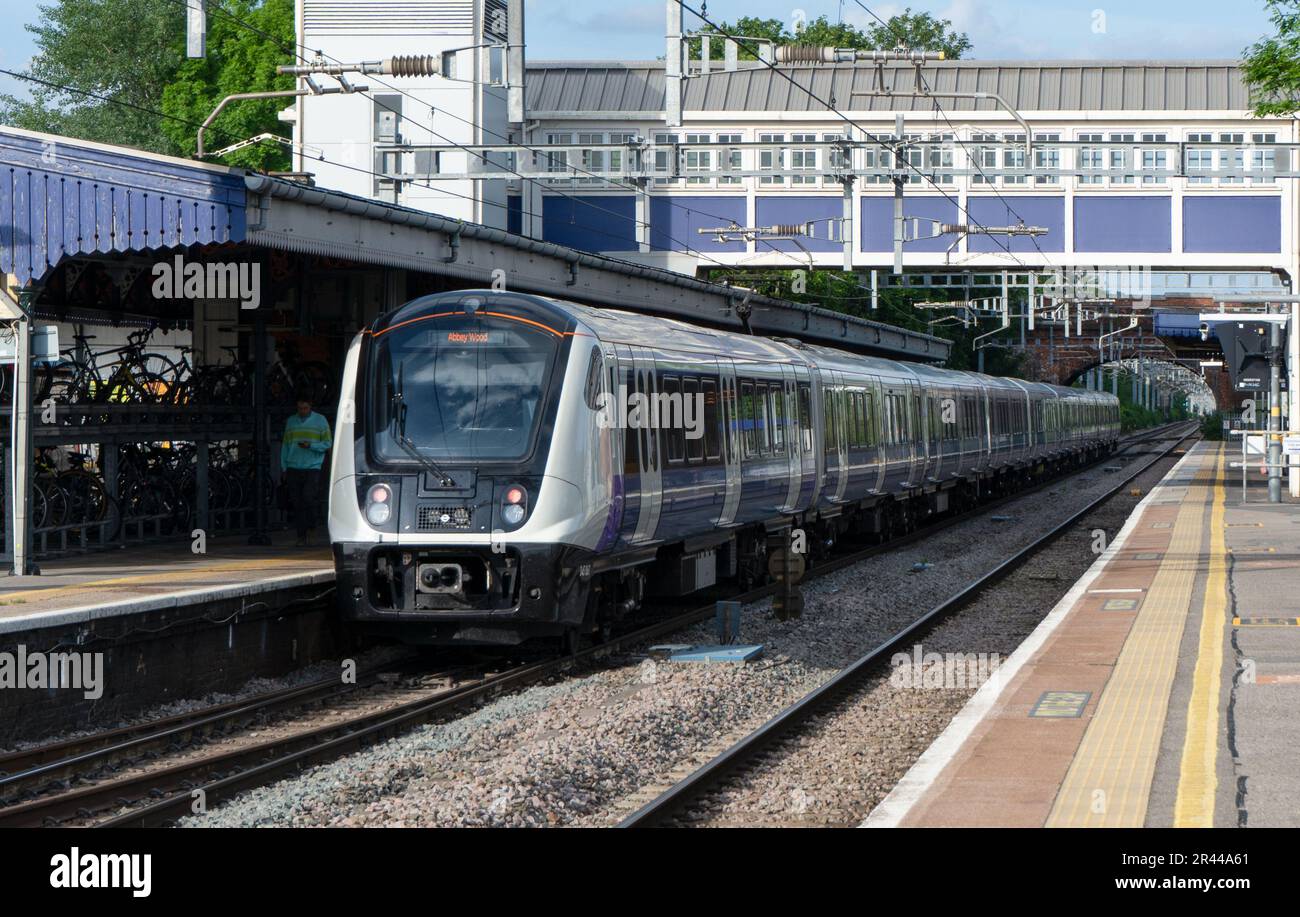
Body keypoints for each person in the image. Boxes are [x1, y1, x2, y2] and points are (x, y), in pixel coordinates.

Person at [281, 395, 333, 546]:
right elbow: (285, 444)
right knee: (297, 503)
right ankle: (301, 536)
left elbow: (328, 443)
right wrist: (283, 466)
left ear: (310, 406)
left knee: (308, 497)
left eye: (305, 408)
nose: (302, 411)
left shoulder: (320, 421)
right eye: (300, 408)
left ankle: (312, 522)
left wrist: (311, 446)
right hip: (293, 466)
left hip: (313, 467)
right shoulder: (291, 421)